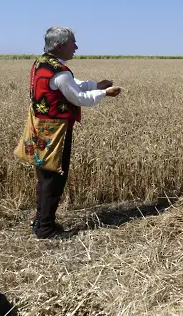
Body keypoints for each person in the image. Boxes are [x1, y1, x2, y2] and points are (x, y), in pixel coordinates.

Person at [25, 26, 122, 239]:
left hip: (38, 127)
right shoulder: (59, 72)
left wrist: (95, 84)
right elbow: (79, 98)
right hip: (55, 131)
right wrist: (104, 92)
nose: (76, 47)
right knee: (55, 177)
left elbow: (72, 84)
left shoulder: (42, 63)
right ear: (59, 45)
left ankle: (41, 221)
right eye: (73, 42)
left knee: (44, 176)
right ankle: (46, 229)